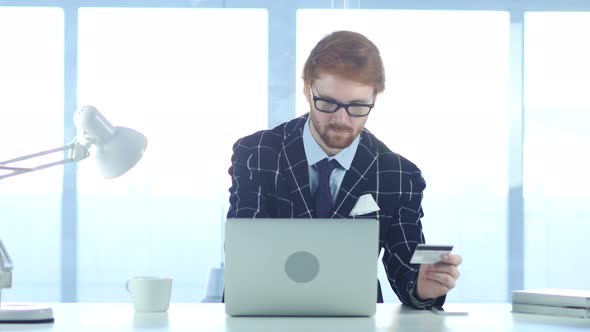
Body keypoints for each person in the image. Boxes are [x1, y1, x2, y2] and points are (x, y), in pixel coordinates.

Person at [226, 30, 462, 308]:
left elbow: (406, 265)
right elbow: (244, 247)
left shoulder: (399, 175)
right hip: (264, 311)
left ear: (376, 97)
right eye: (327, 103)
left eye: (358, 107)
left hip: (353, 317)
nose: (341, 119)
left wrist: (423, 288)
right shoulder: (257, 153)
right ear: (307, 89)